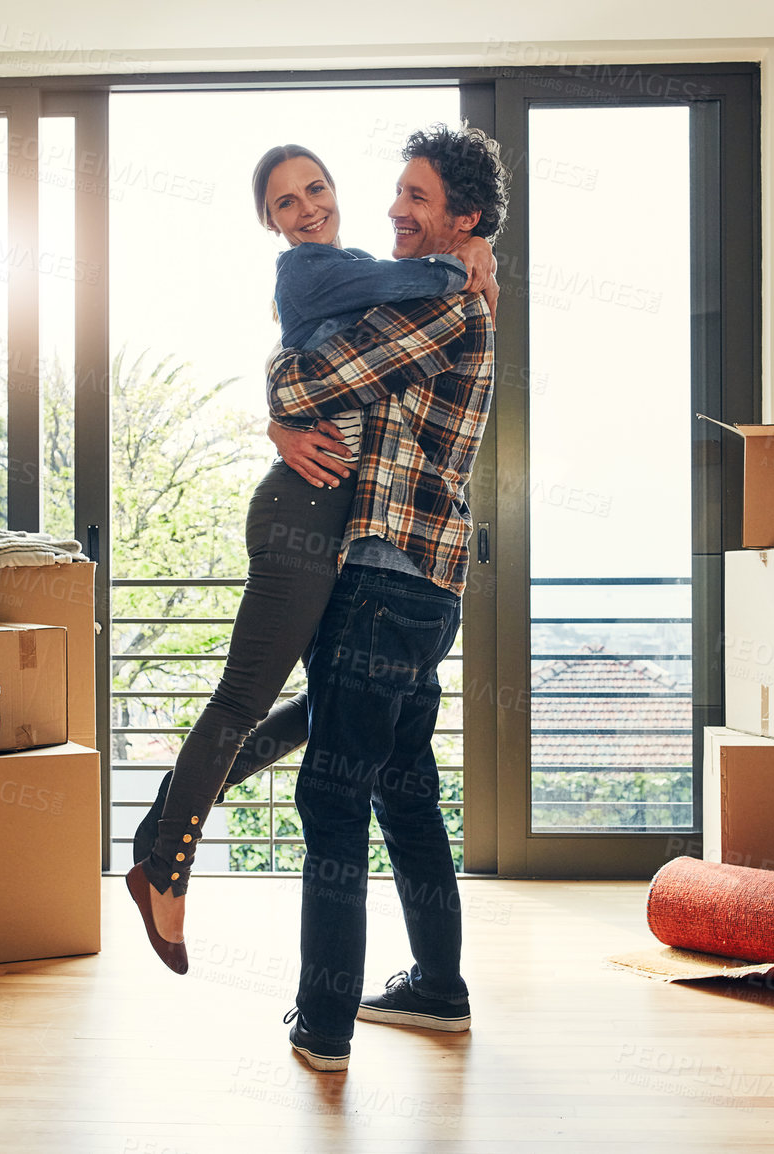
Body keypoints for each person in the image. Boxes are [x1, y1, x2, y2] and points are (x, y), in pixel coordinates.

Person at [124, 143, 498, 975]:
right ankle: (167, 869)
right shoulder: (319, 276)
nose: (306, 207)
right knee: (245, 698)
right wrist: (462, 265)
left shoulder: (362, 272)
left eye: (317, 189)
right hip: (303, 509)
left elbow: (329, 362)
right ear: (270, 221)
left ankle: (161, 830)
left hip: (352, 532)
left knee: (327, 710)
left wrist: (461, 264)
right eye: (285, 202)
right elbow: (302, 380)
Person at [263, 124, 509, 1072]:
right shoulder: (450, 292)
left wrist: (275, 395)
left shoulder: (443, 309)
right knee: (405, 792)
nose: (394, 210)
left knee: (331, 797)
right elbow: (326, 388)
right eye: (396, 193)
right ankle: (438, 989)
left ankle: (323, 1028)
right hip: (420, 584)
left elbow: (315, 376)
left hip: (383, 579)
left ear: (463, 219)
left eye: (416, 198)